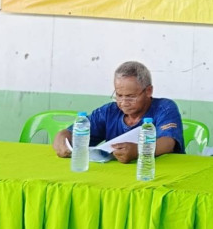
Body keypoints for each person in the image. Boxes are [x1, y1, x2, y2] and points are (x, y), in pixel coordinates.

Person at [52, 61, 185, 163]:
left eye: (131, 96)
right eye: (119, 95)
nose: (123, 102)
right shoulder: (109, 112)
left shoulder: (164, 108)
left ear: (148, 91)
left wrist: (138, 150)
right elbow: (72, 132)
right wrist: (62, 137)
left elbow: (168, 143)